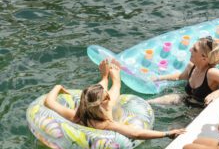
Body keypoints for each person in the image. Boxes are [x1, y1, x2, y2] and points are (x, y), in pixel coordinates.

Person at [44, 59, 185, 140]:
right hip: (104, 113)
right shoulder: (106, 124)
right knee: (116, 87)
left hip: (95, 105)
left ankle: (105, 77)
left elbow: (49, 102)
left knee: (99, 92)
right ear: (101, 104)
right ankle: (113, 77)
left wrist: (58, 87)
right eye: (106, 97)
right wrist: (166, 133)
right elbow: (136, 133)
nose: (109, 97)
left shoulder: (77, 115)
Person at [149, 37, 219, 106]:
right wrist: (158, 78)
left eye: (195, 49)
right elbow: (180, 76)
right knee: (159, 100)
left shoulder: (211, 73)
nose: (190, 50)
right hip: (188, 101)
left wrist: (217, 93)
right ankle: (147, 103)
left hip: (201, 110)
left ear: (204, 58)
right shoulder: (191, 66)